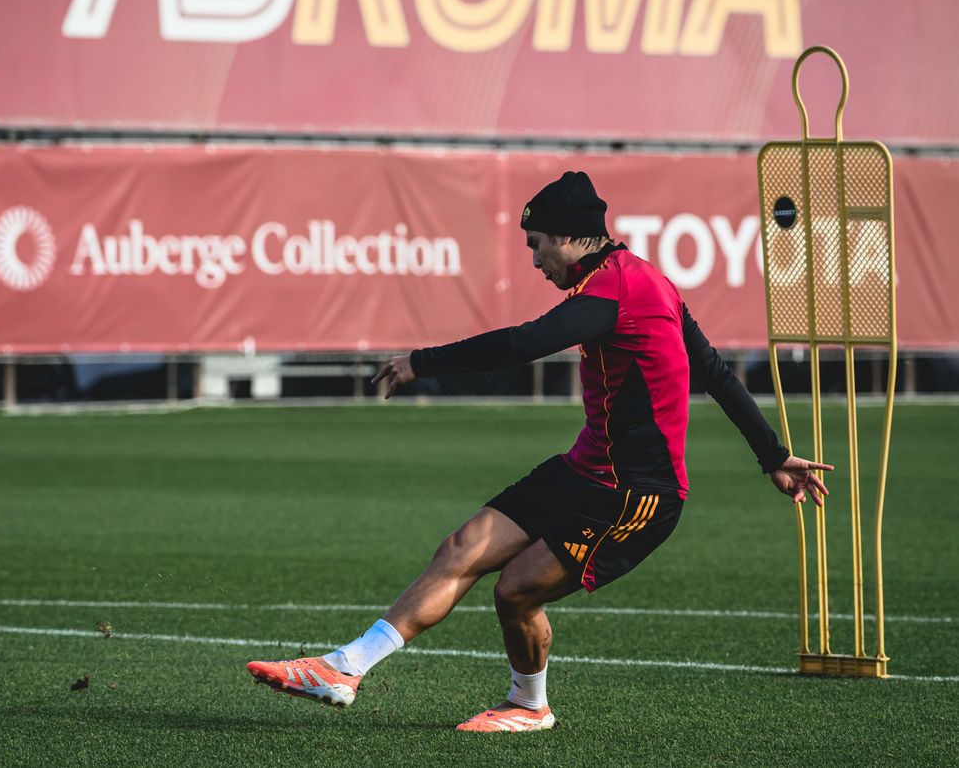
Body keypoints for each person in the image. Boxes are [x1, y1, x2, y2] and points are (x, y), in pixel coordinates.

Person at [246, 171, 831, 732]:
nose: (534, 259)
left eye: (537, 244)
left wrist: (420, 362)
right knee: (461, 547)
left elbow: (526, 342)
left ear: (569, 238)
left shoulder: (617, 290)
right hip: (583, 470)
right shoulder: (643, 281)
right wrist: (773, 455)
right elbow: (717, 372)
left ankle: (529, 706)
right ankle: (344, 669)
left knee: (515, 589)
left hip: (636, 494)